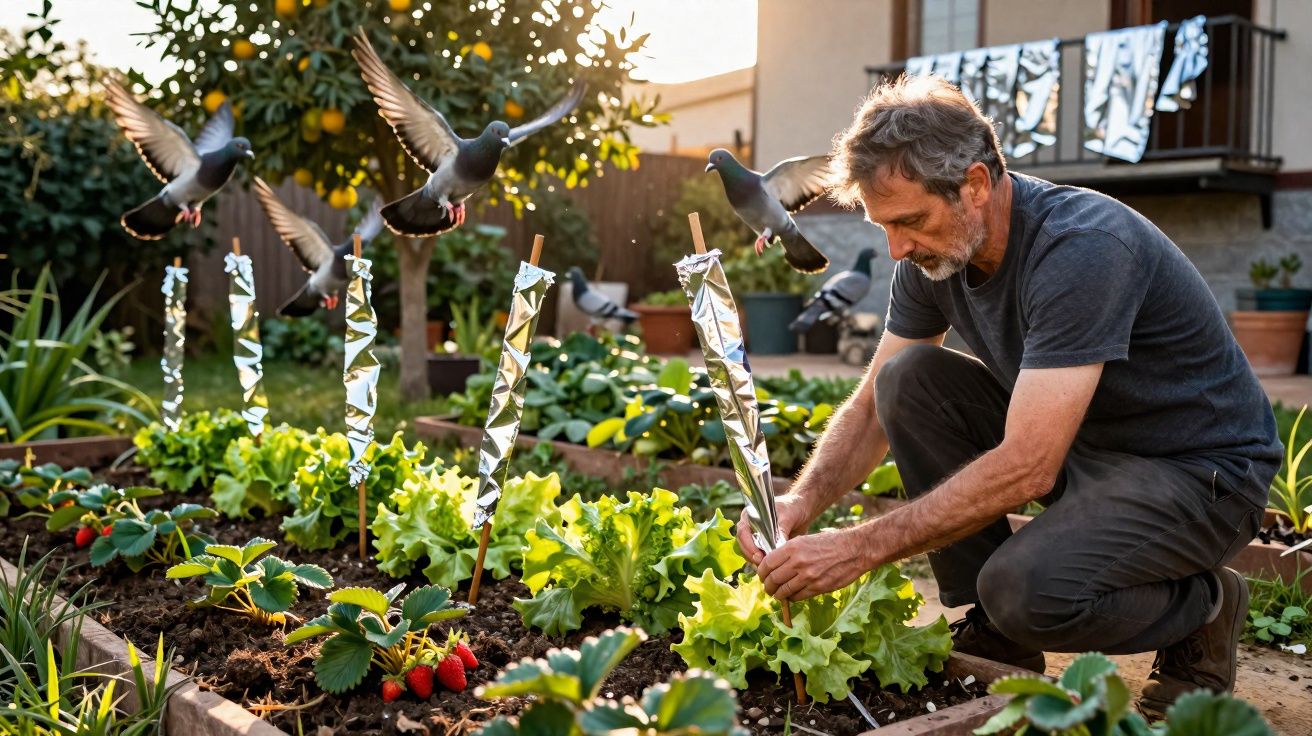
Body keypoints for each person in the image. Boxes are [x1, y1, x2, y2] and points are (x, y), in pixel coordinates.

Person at [737, 74, 1281, 718]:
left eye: (910, 221)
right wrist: (803, 498)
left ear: (974, 184)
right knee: (906, 381)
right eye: (885, 226)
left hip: (1201, 473)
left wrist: (857, 547)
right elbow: (871, 411)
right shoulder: (933, 256)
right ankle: (999, 632)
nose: (897, 248)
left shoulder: (1082, 248)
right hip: (1090, 451)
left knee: (1026, 592)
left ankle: (1204, 608)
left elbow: (1029, 462)